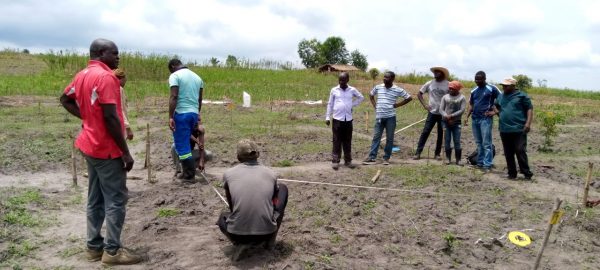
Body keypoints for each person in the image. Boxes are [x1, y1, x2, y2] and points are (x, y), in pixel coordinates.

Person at [59, 38, 141, 265]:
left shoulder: (82, 74)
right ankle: (112, 252)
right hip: (106, 150)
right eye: (115, 53)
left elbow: (65, 99)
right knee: (115, 199)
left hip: (88, 145)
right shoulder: (107, 78)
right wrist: (125, 152)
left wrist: (87, 118)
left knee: (95, 197)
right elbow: (111, 117)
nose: (118, 58)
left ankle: (94, 247)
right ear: (102, 53)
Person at [217, 139, 288, 254]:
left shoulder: (228, 174)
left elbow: (232, 205)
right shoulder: (271, 174)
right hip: (267, 233)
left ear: (238, 157)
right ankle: (271, 240)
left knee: (222, 218)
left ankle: (240, 244)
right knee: (283, 188)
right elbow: (273, 200)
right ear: (257, 155)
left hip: (237, 235)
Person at [363, 71, 413, 165]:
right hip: (379, 117)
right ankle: (372, 157)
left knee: (390, 138)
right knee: (376, 137)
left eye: (387, 77)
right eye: (384, 77)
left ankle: (386, 158)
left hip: (390, 118)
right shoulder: (378, 87)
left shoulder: (397, 89)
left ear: (392, 79)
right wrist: (375, 106)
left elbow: (409, 98)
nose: (385, 79)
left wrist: (397, 105)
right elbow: (371, 95)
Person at [168, 58, 204, 182]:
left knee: (182, 145)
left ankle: (189, 176)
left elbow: (174, 96)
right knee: (186, 144)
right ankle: (186, 173)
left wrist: (171, 117)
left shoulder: (175, 75)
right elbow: (199, 100)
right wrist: (197, 113)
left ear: (173, 66)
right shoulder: (198, 78)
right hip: (193, 113)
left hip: (181, 114)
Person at [493, 77, 534, 179]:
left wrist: (528, 123)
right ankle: (512, 173)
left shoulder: (522, 96)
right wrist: (497, 112)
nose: (504, 87)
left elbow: (529, 109)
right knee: (508, 152)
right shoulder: (501, 96)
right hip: (504, 129)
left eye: (506, 86)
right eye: (503, 86)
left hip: (519, 128)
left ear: (513, 86)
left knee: (520, 150)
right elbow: (495, 105)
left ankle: (526, 172)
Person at [325, 72, 364, 170]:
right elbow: (330, 104)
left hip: (348, 119)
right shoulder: (334, 90)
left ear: (348, 80)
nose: (341, 82)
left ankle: (348, 161)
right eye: (339, 80)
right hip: (337, 119)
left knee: (347, 141)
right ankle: (335, 161)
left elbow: (361, 97)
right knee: (336, 140)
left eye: (343, 80)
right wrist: (327, 117)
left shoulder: (352, 90)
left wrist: (352, 104)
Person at [465, 71, 501, 172]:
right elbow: (471, 104)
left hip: (485, 119)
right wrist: (467, 116)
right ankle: (480, 163)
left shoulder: (492, 88)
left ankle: (487, 164)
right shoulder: (474, 91)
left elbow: (502, 100)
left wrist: (494, 112)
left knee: (486, 143)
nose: (477, 81)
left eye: (479, 79)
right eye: (476, 79)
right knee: (478, 142)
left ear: (484, 79)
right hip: (475, 119)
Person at [413, 67, 449, 160]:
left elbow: (452, 97)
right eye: (435, 72)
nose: (435, 73)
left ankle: (437, 154)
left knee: (441, 134)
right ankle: (418, 153)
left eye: (437, 72)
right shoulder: (430, 83)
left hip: (443, 113)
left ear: (442, 73)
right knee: (425, 132)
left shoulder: (448, 84)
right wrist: (425, 105)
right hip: (432, 112)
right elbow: (419, 94)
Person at [439, 81, 467, 165]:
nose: (450, 89)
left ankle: (458, 160)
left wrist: (451, 116)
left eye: (452, 88)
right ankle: (448, 158)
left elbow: (462, 110)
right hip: (445, 122)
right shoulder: (445, 97)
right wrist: (446, 116)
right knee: (447, 140)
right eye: (450, 88)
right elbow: (441, 109)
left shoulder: (462, 98)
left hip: (456, 122)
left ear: (457, 89)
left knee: (457, 141)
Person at [113, 69, 133, 140]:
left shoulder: (113, 87)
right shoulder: (119, 89)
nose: (125, 83)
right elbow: (120, 109)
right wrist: (127, 127)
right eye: (125, 80)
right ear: (120, 79)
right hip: (120, 124)